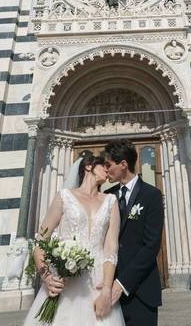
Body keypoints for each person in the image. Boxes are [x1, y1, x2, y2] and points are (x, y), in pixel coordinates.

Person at [23, 150, 125, 325]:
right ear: (88, 166)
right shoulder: (64, 196)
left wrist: (107, 289)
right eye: (104, 165)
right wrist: (46, 276)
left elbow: (111, 248)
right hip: (66, 282)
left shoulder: (111, 201)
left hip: (98, 279)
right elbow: (40, 241)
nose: (108, 169)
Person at [100, 139, 164, 326]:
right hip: (107, 287)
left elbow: (151, 246)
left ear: (123, 164)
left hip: (140, 289)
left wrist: (122, 283)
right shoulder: (108, 196)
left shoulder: (151, 195)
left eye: (108, 165)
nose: (105, 170)